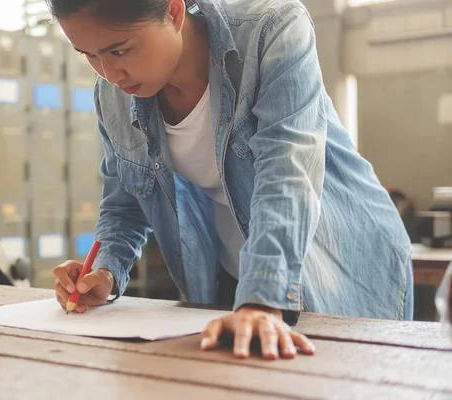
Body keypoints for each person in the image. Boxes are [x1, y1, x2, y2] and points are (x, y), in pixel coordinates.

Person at [48, 0, 414, 360]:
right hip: (240, 273)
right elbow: (125, 204)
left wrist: (262, 300)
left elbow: (287, 174)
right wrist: (105, 271)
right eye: (88, 55)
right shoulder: (111, 95)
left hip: (340, 260)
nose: (109, 74)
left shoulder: (272, 29)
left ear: (174, 12)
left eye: (119, 50)